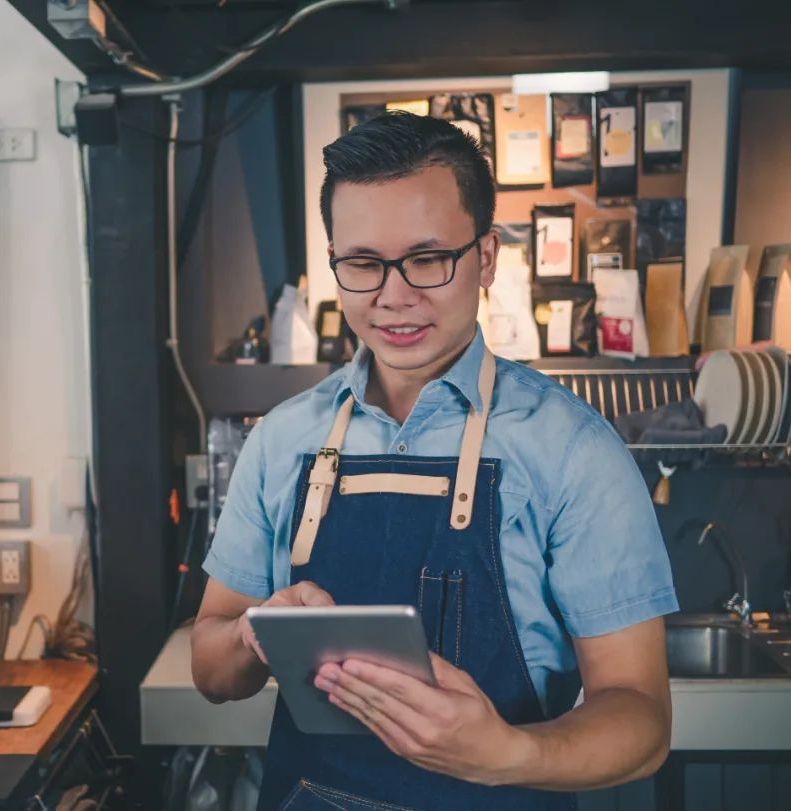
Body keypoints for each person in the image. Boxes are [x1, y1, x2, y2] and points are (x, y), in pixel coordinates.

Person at [191, 111, 678, 810]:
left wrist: (511, 752)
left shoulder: (573, 451)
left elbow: (641, 717)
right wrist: (254, 631)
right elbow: (210, 665)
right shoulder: (282, 438)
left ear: (487, 257)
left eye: (426, 258)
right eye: (362, 263)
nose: (393, 295)